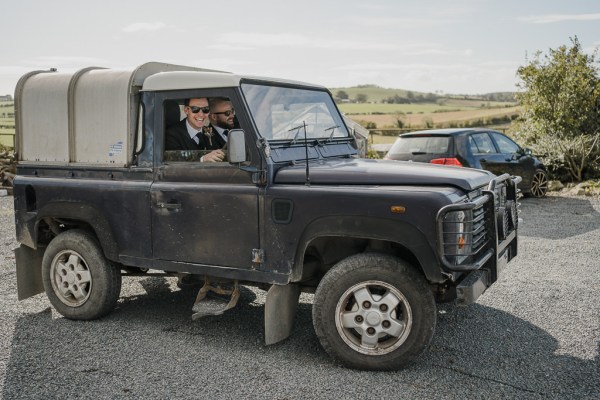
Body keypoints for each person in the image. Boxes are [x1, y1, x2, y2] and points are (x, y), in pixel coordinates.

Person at [165, 98, 224, 162]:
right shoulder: (171, 134)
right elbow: (175, 160)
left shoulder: (208, 131)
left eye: (205, 109)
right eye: (195, 109)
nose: (201, 114)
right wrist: (202, 160)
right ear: (186, 110)